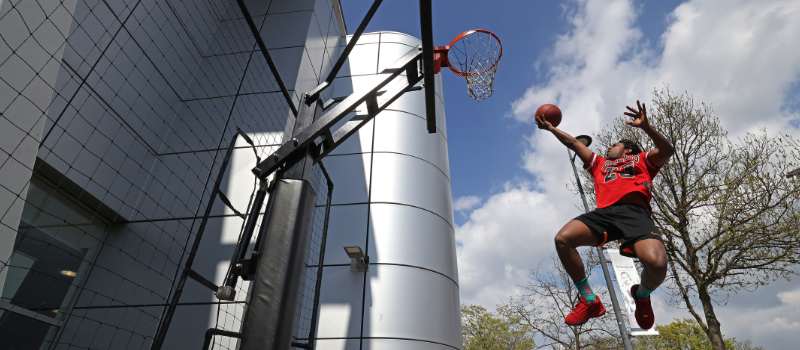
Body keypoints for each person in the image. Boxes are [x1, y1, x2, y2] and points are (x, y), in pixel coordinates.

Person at [535, 100, 674, 329]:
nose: (609, 148)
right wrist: (551, 129)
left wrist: (647, 128)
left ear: (627, 149)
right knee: (563, 239)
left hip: (635, 213)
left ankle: (641, 294)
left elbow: (667, 150)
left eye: (614, 145)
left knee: (657, 264)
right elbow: (572, 143)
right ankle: (589, 300)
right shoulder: (599, 163)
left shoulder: (642, 160)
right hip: (605, 214)